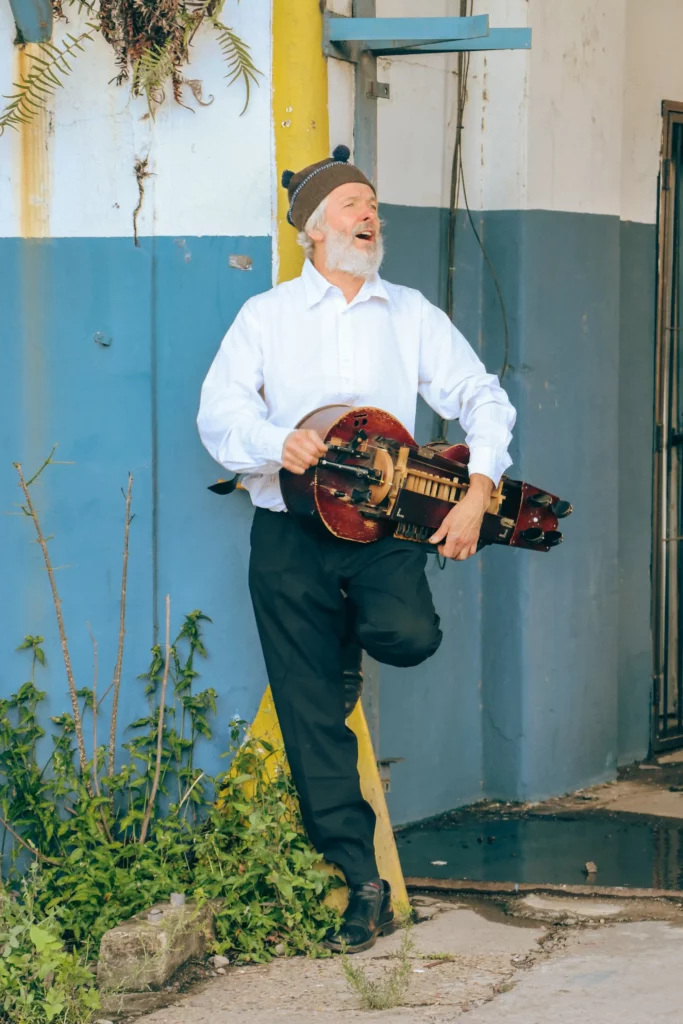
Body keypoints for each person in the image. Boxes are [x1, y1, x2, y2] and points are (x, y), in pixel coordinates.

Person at [197, 145, 516, 953]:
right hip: (289, 535)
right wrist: (278, 442)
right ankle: (361, 883)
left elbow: (480, 396)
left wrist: (479, 489)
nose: (368, 215)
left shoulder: (409, 313)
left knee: (407, 638)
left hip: (381, 532)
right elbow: (219, 418)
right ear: (311, 229)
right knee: (312, 718)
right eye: (351, 205)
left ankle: (352, 639)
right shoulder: (264, 318)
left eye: (371, 203)